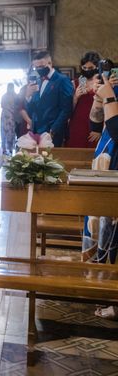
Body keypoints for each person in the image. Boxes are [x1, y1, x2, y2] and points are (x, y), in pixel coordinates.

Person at [82, 73, 118, 319]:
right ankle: (109, 295)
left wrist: (110, 100)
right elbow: (96, 123)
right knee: (104, 229)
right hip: (104, 164)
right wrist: (99, 98)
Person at [25, 51, 74, 147]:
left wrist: (54, 129)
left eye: (42, 66)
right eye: (36, 67)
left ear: (50, 63)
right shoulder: (37, 81)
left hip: (53, 132)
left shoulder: (62, 80)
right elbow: (32, 110)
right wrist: (28, 96)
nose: (39, 69)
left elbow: (66, 109)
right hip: (36, 131)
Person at [67, 52, 102, 148]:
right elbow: (68, 109)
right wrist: (75, 97)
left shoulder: (102, 81)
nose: (87, 70)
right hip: (78, 124)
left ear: (97, 67)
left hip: (96, 125)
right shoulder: (78, 81)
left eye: (90, 68)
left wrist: (100, 128)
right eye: (84, 68)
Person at [1, 84, 17, 155]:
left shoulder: (16, 96)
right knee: (4, 132)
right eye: (9, 87)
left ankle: (10, 149)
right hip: (5, 116)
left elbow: (17, 105)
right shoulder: (4, 96)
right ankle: (4, 149)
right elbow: (2, 105)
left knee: (11, 133)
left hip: (12, 116)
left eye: (11, 87)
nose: (10, 89)